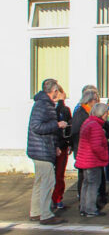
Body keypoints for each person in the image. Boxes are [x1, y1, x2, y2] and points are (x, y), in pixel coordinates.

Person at [27, 79, 69, 225]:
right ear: (54, 91)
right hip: (41, 149)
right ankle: (45, 214)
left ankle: (36, 211)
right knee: (47, 181)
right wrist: (57, 124)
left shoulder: (42, 103)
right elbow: (37, 126)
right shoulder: (44, 105)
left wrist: (55, 145)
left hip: (41, 148)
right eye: (57, 90)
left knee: (40, 181)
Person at [75, 103, 109, 217]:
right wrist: (104, 156)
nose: (107, 115)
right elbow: (96, 146)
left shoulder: (88, 122)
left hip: (85, 159)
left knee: (86, 184)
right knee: (93, 185)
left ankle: (84, 207)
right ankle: (90, 209)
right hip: (92, 160)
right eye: (106, 113)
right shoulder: (95, 126)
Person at [71, 89, 99, 200]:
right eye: (96, 99)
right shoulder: (81, 113)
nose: (97, 101)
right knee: (84, 177)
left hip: (86, 150)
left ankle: (87, 200)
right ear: (90, 101)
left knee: (88, 177)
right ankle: (84, 199)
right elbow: (77, 133)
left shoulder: (88, 112)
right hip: (83, 150)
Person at [52, 85, 72, 210]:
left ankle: (57, 198)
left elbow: (69, 126)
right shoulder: (58, 109)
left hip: (61, 144)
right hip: (57, 144)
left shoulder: (64, 109)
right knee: (55, 174)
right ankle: (55, 198)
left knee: (58, 174)